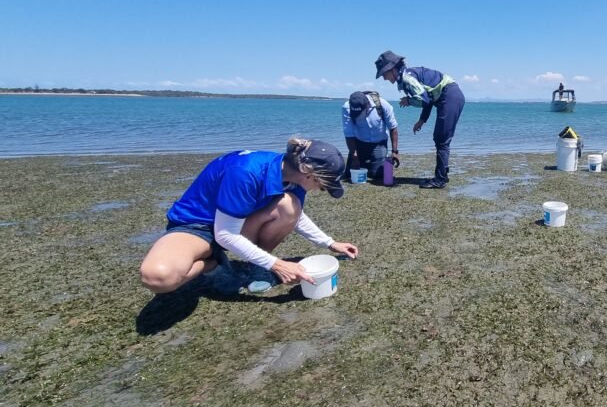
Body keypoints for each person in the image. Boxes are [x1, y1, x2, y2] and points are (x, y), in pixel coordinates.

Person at [139, 138, 359, 294]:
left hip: (238, 223)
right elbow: (225, 234)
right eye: (322, 185)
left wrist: (330, 243)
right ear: (309, 175)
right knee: (157, 277)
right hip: (197, 226)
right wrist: (278, 265)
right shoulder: (245, 172)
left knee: (290, 204)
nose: (320, 190)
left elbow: (295, 216)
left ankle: (256, 267)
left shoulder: (293, 176)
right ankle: (213, 265)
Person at [374, 50, 465, 189]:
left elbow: (424, 99)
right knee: (440, 138)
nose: (384, 78)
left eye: (384, 74)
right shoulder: (407, 76)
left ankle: (440, 179)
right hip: (447, 96)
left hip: (450, 95)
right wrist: (422, 120)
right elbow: (428, 98)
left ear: (392, 69)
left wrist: (408, 101)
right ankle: (442, 174)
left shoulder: (407, 78)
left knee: (441, 138)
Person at [342, 91, 400, 182]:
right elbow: (349, 133)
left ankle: (378, 163)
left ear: (367, 105)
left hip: (379, 143)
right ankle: (364, 163)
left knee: (380, 175)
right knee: (348, 175)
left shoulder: (383, 104)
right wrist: (354, 155)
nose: (358, 114)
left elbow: (393, 128)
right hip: (358, 142)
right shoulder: (347, 107)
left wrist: (395, 151)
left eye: (360, 111)